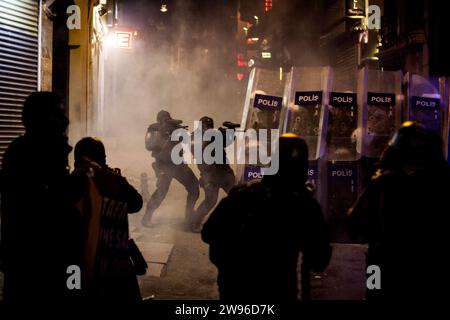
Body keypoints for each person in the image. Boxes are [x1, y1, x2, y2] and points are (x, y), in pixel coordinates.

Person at [202, 134, 332, 301]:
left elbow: (208, 233)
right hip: (277, 291)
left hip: (235, 289)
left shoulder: (243, 194)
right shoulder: (303, 205)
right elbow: (319, 260)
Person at [348, 121, 450, 300]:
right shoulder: (441, 183)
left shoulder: (384, 182)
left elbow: (355, 226)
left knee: (374, 293)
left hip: (381, 267)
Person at [0, 92, 81, 301]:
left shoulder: (27, 150)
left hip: (31, 256)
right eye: (58, 113)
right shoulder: (35, 152)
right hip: (39, 257)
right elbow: (52, 202)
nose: (66, 120)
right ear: (40, 117)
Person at [72, 137, 143, 301]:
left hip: (78, 265)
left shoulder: (71, 183)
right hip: (116, 264)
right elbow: (136, 204)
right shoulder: (115, 182)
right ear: (103, 159)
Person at [141, 110, 199, 227]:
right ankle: (146, 218)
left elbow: (187, 142)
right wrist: (162, 135)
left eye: (168, 119)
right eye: (164, 120)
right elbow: (148, 145)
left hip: (178, 165)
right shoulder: (154, 129)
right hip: (163, 165)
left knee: (194, 187)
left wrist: (178, 134)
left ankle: (189, 217)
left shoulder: (176, 127)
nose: (166, 122)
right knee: (161, 192)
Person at [189, 116, 236, 233]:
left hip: (224, 173)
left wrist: (230, 131)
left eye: (210, 126)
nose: (208, 128)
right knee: (210, 201)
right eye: (205, 126)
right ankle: (194, 222)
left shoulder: (215, 136)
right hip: (209, 175)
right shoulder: (195, 137)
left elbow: (227, 141)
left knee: (236, 197)